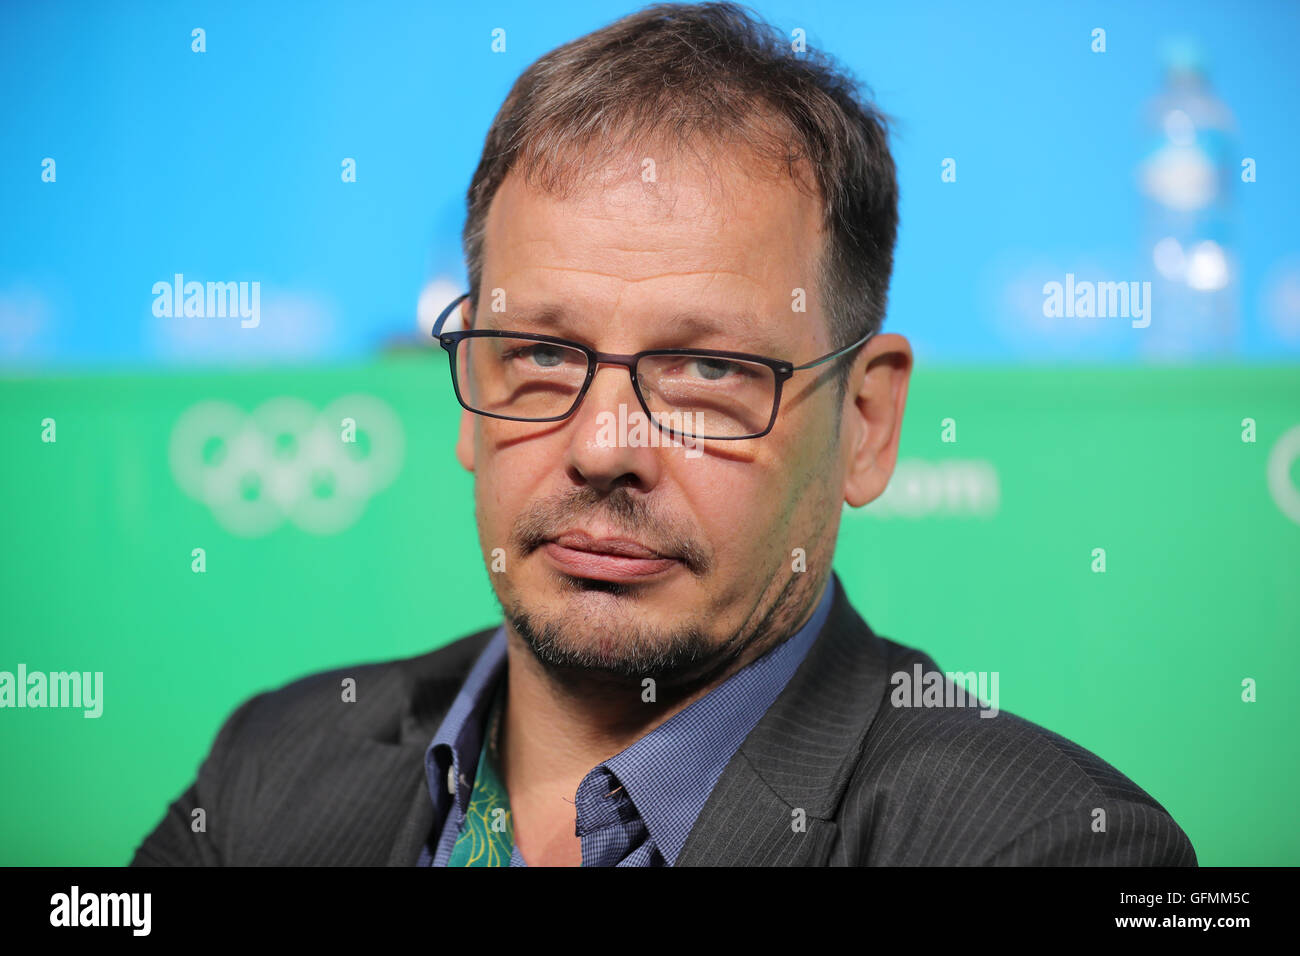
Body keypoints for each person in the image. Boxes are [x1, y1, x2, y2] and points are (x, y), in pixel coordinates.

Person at [131, 1, 1196, 866]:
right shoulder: (269, 769)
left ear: (866, 424)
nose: (604, 446)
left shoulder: (1049, 848)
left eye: (705, 370)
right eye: (542, 351)